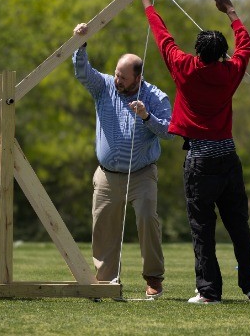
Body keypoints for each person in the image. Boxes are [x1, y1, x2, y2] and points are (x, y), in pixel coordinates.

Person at [132, 0, 250, 305]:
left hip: (199, 161)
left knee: (202, 228)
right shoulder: (231, 71)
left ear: (198, 52)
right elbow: (246, 46)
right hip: (228, 159)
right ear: (223, 54)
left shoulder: (185, 67)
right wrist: (231, 12)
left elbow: (162, 36)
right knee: (239, 225)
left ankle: (209, 291)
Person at [72, 24, 174, 297]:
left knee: (146, 219)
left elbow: (170, 132)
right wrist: (81, 44)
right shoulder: (104, 86)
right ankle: (106, 281)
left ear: (138, 78)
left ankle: (153, 277)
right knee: (103, 226)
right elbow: (83, 73)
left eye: (123, 77)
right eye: (117, 74)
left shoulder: (156, 97)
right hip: (106, 174)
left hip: (142, 173)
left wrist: (146, 117)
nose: (118, 80)